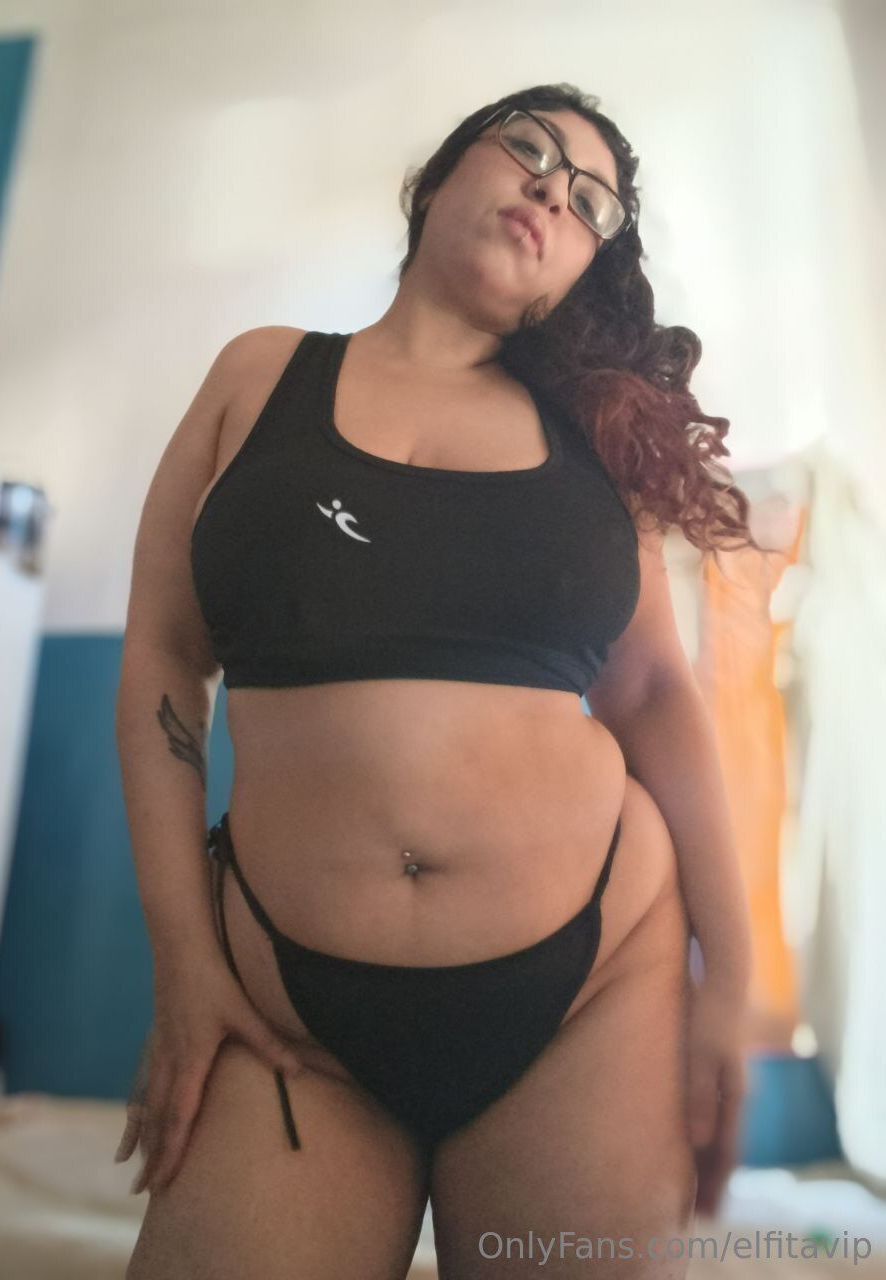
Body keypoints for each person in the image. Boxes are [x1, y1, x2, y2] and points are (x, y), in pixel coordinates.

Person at [117, 82, 760, 1278]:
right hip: (286, 998)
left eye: (592, 203)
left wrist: (734, 969)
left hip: (594, 983)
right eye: (530, 148)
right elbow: (162, 651)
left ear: (586, 264)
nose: (552, 191)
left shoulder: (597, 436)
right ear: (440, 175)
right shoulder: (259, 374)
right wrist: (182, 963)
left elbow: (653, 693)